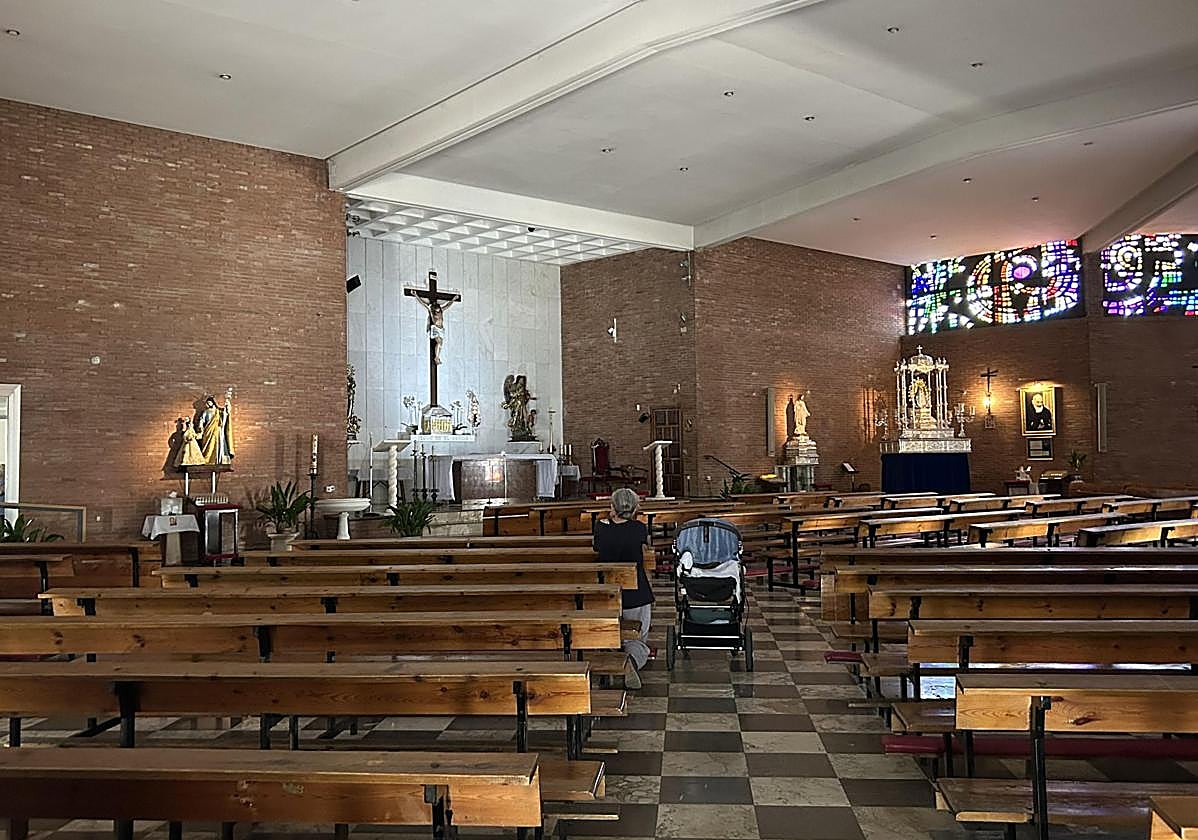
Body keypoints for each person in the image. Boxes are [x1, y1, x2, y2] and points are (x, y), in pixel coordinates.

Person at [592, 487, 653, 689]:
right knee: (638, 637)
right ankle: (630, 662)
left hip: (606, 593)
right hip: (636, 594)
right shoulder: (639, 529)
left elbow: (598, 547)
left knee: (609, 632)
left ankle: (610, 665)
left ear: (613, 507)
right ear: (635, 507)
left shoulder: (600, 527)